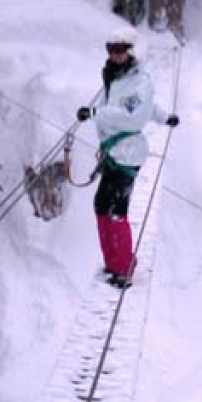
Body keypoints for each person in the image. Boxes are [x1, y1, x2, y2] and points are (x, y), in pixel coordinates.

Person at [76, 26, 179, 289]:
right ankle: (113, 263)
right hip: (114, 151)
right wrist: (164, 116)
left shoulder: (140, 81)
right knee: (102, 205)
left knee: (115, 210)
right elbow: (146, 107)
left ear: (130, 52)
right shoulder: (116, 78)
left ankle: (123, 268)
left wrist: (96, 113)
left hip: (128, 153)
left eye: (119, 50)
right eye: (110, 49)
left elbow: (132, 115)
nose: (114, 55)